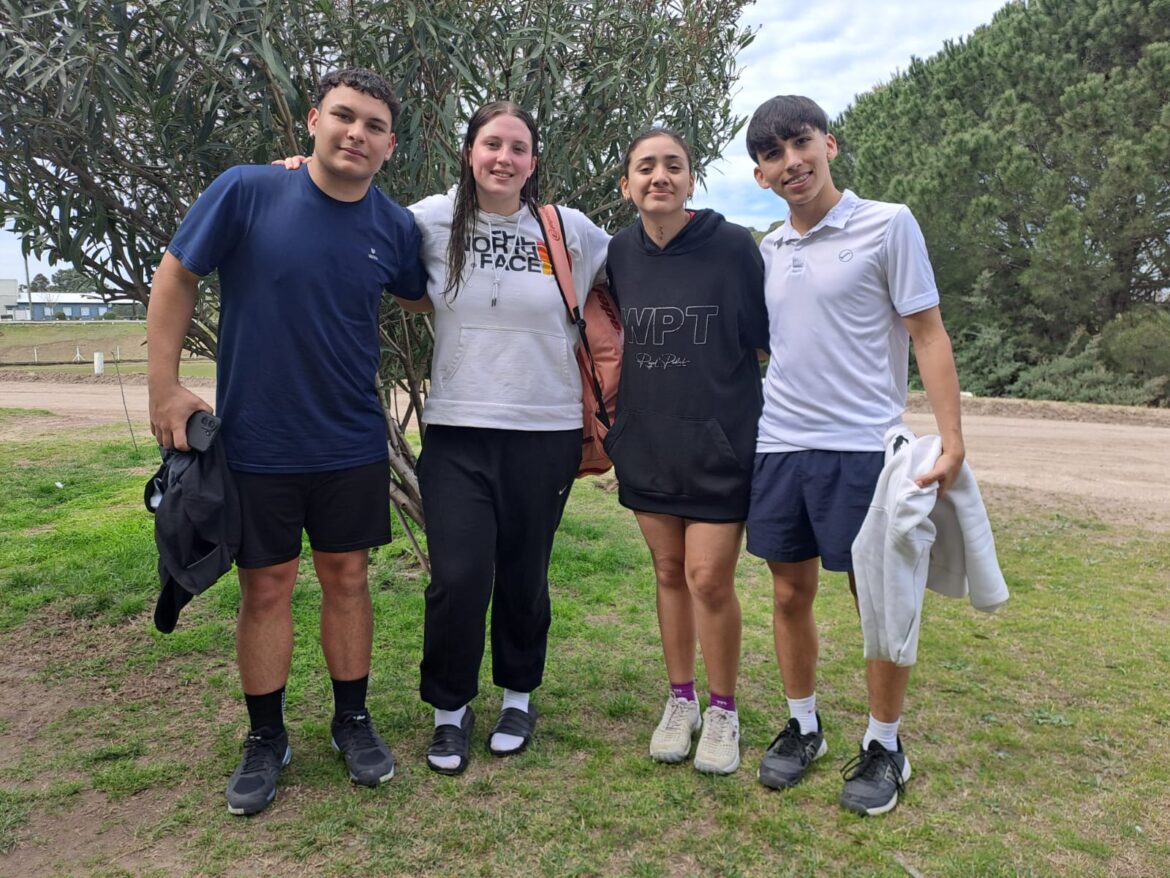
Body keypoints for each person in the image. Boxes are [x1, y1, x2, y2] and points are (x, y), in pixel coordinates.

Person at [147, 68, 427, 816]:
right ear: (312, 120)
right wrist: (163, 386)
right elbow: (175, 275)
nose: (356, 133)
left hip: (350, 444)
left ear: (389, 145)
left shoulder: (395, 227)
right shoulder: (247, 190)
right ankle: (265, 738)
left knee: (348, 581)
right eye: (344, 116)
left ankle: (353, 721)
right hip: (258, 443)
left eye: (373, 126)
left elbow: (428, 288)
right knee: (264, 590)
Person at [744, 95, 966, 815]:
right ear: (760, 175)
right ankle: (803, 725)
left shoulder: (888, 224)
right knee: (787, 592)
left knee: (877, 603)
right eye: (774, 155)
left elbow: (928, 334)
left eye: (800, 143)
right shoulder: (768, 250)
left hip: (865, 449)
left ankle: (885, 745)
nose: (791, 162)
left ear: (829, 145)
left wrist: (952, 437)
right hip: (780, 446)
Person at [399, 102, 610, 774]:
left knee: (525, 574)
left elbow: (645, 257)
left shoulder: (566, 231)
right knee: (459, 577)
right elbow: (350, 223)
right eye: (492, 144)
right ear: (470, 152)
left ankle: (519, 695)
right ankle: (449, 710)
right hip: (459, 431)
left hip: (545, 431)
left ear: (533, 163)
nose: (504, 158)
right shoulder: (429, 219)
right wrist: (296, 174)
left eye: (518, 149)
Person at [602, 129, 768, 775]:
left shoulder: (731, 246)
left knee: (708, 578)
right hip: (647, 442)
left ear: (692, 180)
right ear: (627, 185)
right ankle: (681, 701)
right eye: (645, 167)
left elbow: (763, 341)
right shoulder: (619, 252)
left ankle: (723, 709)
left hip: (720, 444)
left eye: (673, 166)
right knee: (668, 574)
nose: (659, 176)